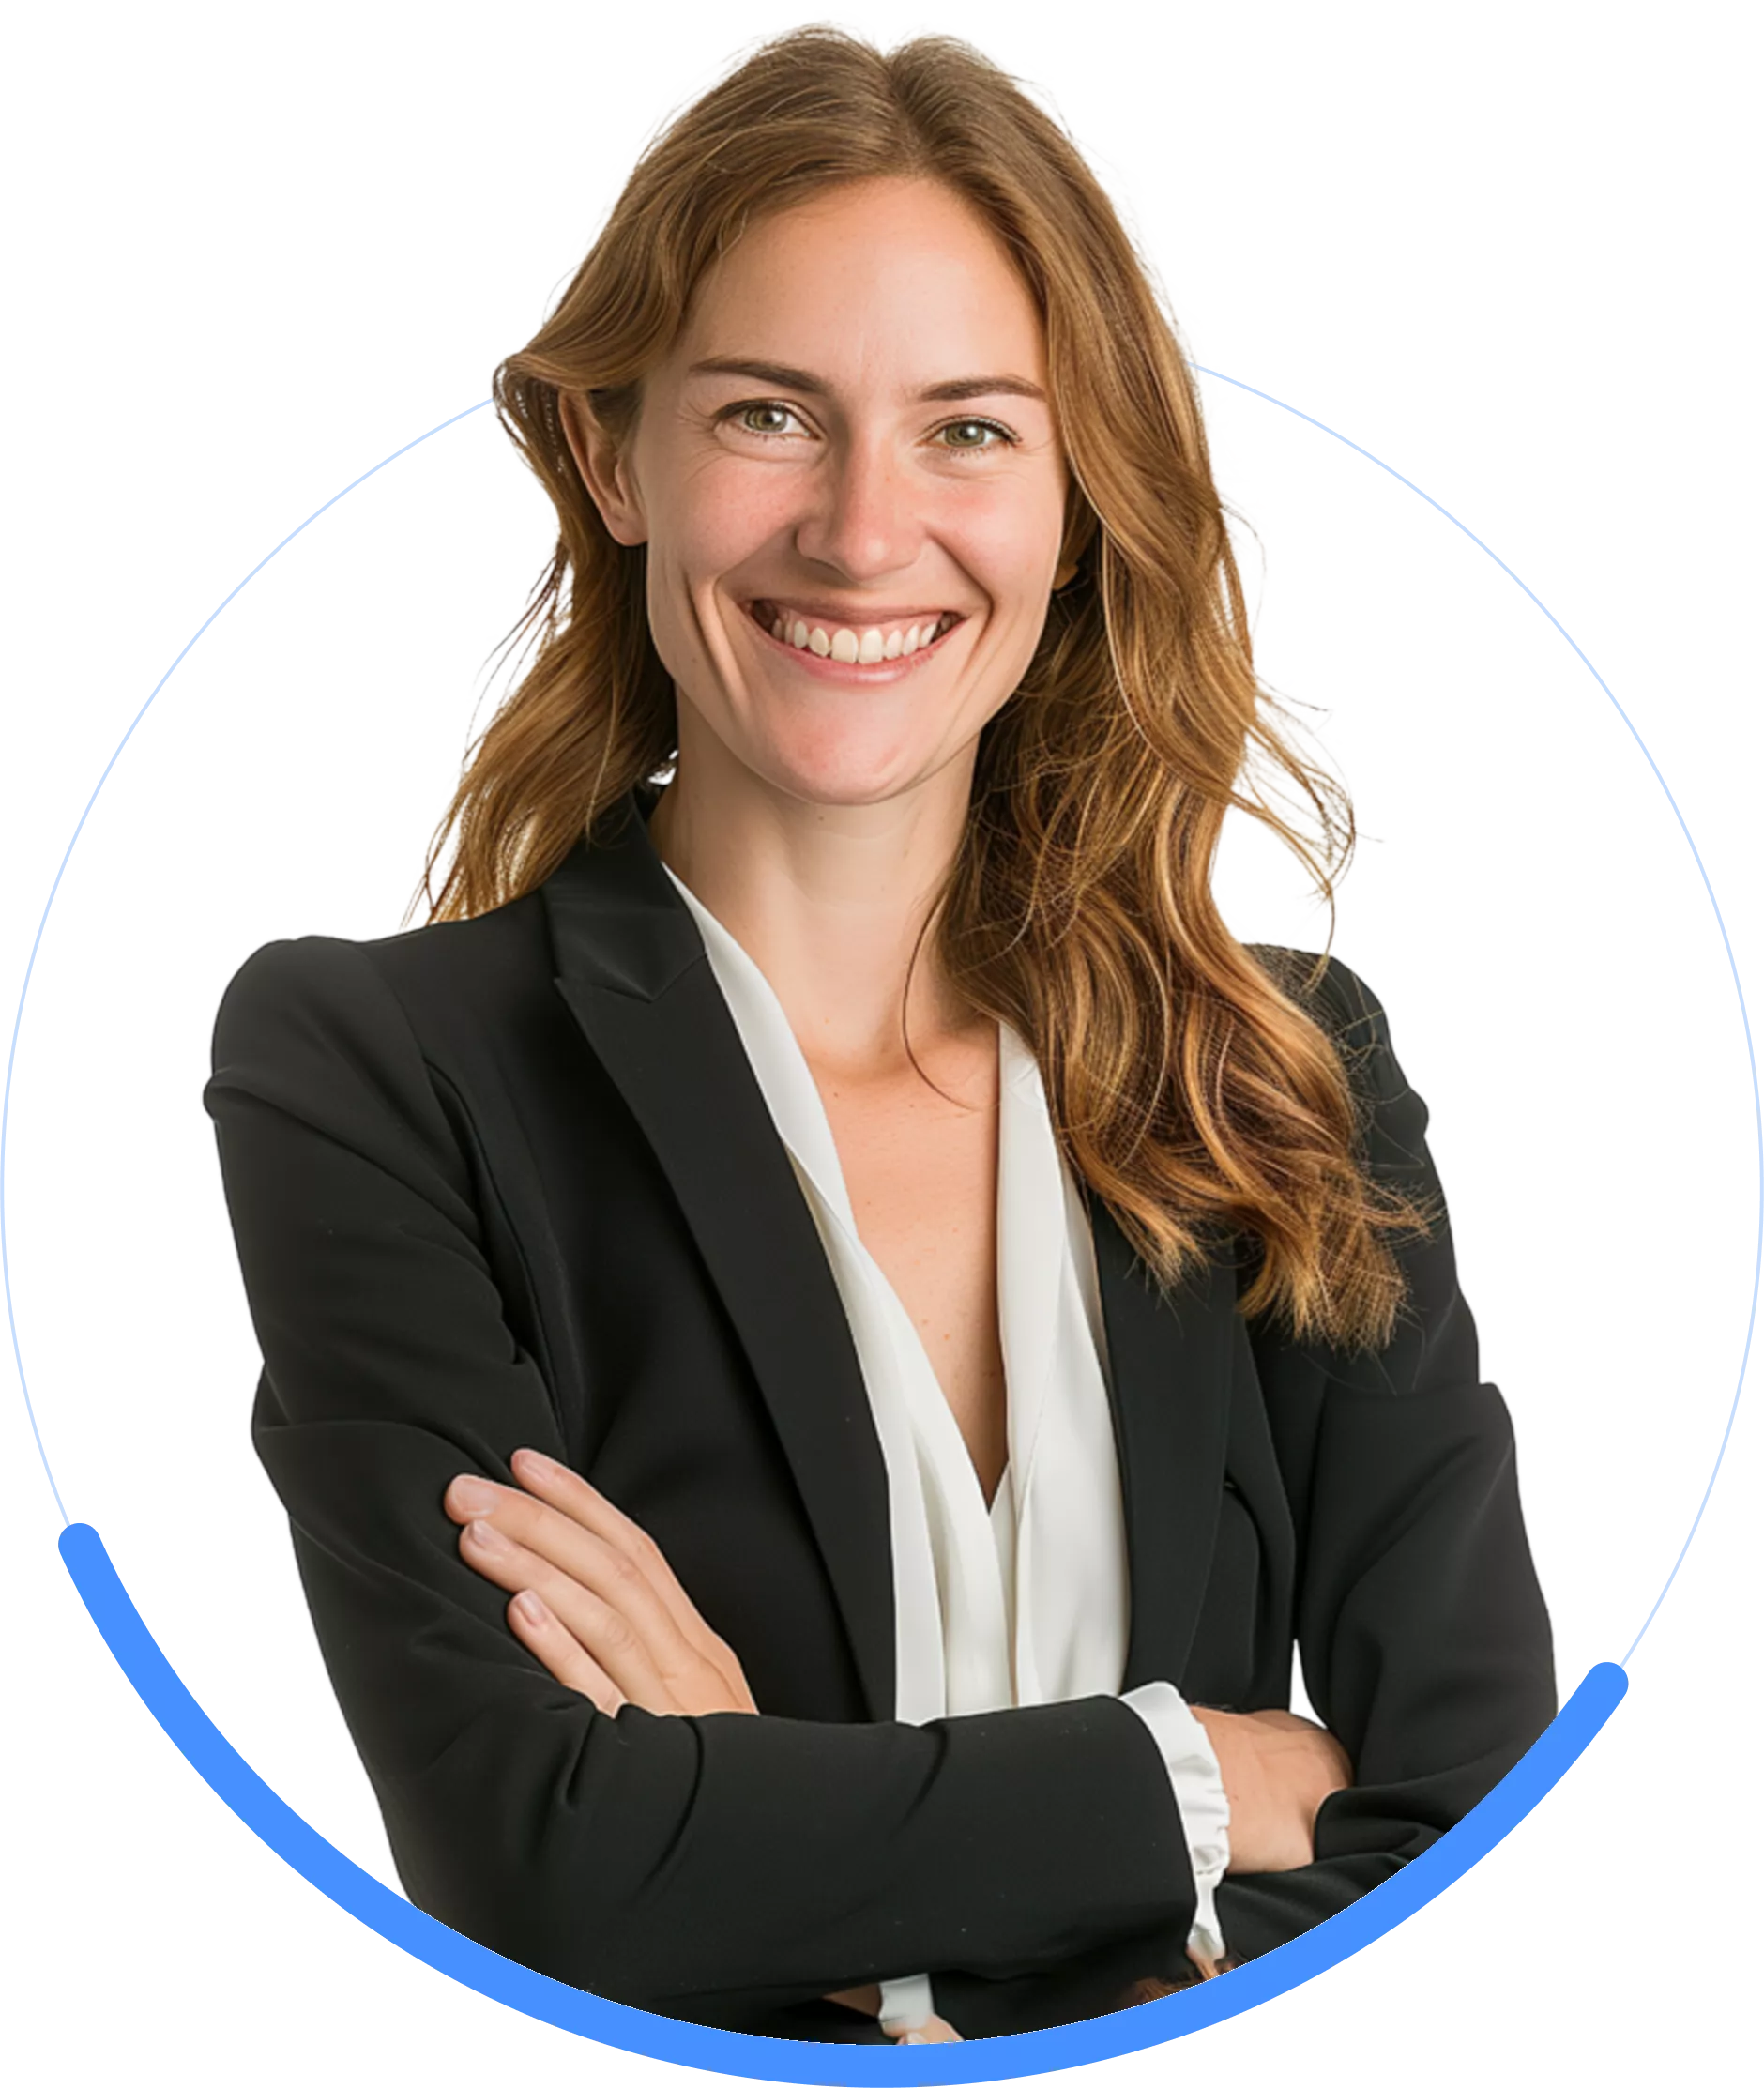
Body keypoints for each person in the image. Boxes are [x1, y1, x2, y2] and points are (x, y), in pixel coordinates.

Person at [201, 23, 1559, 2049]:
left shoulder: (1282, 1076)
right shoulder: (375, 1069)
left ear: (1078, 497)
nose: (858, 531)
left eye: (969, 429)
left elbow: (1481, 1836)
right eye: (769, 413)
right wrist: (1196, 1778)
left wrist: (782, 1856)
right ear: (613, 457)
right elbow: (539, 1870)